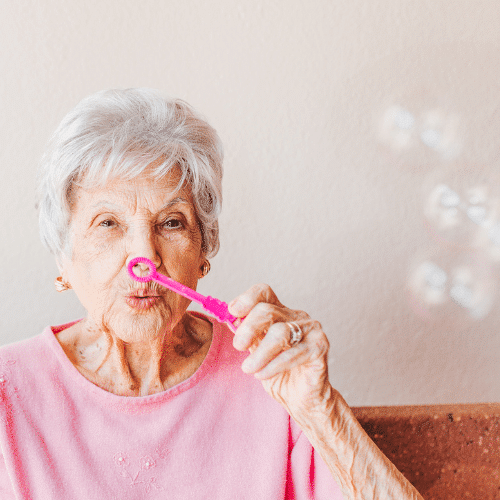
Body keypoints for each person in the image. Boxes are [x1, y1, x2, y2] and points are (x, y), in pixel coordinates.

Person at [0, 88, 423, 499]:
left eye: (171, 223)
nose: (145, 255)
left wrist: (321, 411)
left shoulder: (268, 374)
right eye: (108, 224)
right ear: (63, 256)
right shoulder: (7, 392)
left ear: (203, 250)